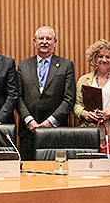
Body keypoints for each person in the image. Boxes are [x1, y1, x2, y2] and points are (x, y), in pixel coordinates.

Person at [17, 26, 76, 160]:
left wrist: (50, 122)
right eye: (41, 38)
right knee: (28, 175)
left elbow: (69, 98)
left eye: (48, 38)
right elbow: (18, 97)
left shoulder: (66, 65)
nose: (44, 41)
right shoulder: (23, 65)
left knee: (56, 173)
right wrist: (29, 121)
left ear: (55, 42)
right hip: (28, 131)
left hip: (56, 130)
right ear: (34, 41)